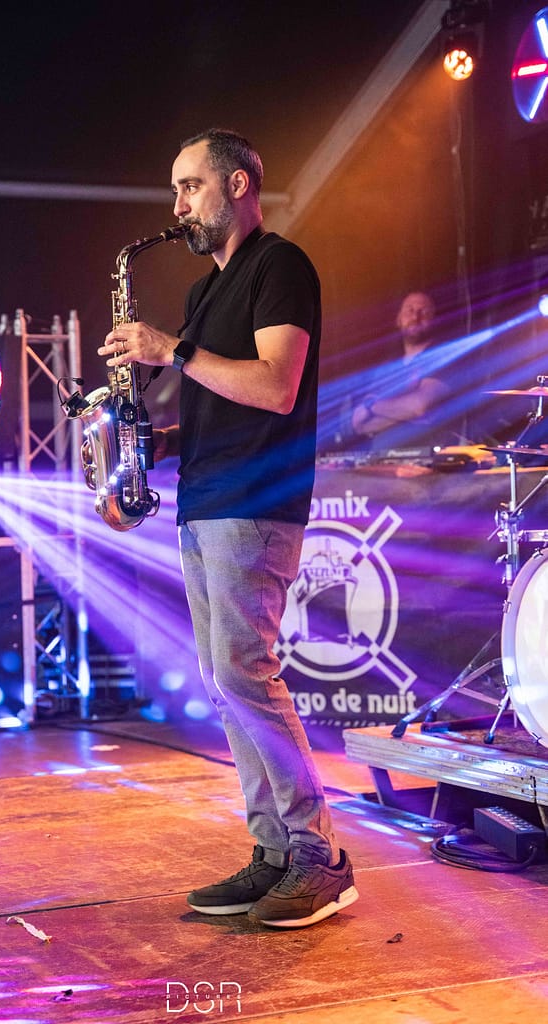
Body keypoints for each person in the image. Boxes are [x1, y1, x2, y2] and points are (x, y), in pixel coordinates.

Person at [97, 129, 357, 929]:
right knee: (226, 681)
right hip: (205, 500)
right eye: (174, 190)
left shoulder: (280, 266)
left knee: (246, 673)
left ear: (238, 184)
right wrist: (154, 446)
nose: (177, 205)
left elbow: (276, 388)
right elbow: (224, 403)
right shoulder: (205, 291)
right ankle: (273, 851)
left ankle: (317, 855)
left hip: (253, 503)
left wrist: (171, 350)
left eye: (189, 186)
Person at [350, 291, 454, 450]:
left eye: (424, 312)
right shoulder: (388, 366)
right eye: (409, 310)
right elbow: (359, 423)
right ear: (398, 319)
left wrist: (371, 406)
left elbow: (420, 406)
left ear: (434, 320)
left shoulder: (443, 356)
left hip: (428, 456)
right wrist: (405, 414)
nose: (415, 317)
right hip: (381, 457)